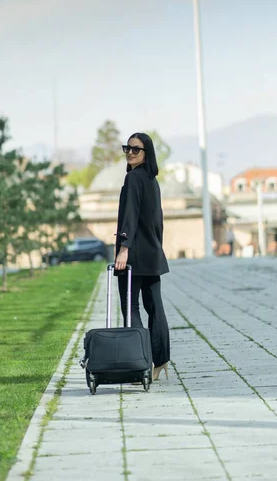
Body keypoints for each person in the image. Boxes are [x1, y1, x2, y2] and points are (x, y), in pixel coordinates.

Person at [114, 132, 170, 381]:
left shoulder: (133, 179)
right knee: (155, 308)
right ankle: (161, 359)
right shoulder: (151, 181)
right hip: (153, 254)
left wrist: (124, 247)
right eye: (127, 148)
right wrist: (157, 246)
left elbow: (130, 215)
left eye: (136, 149)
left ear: (147, 154)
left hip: (133, 255)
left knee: (131, 307)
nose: (130, 153)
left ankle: (141, 361)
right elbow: (158, 222)